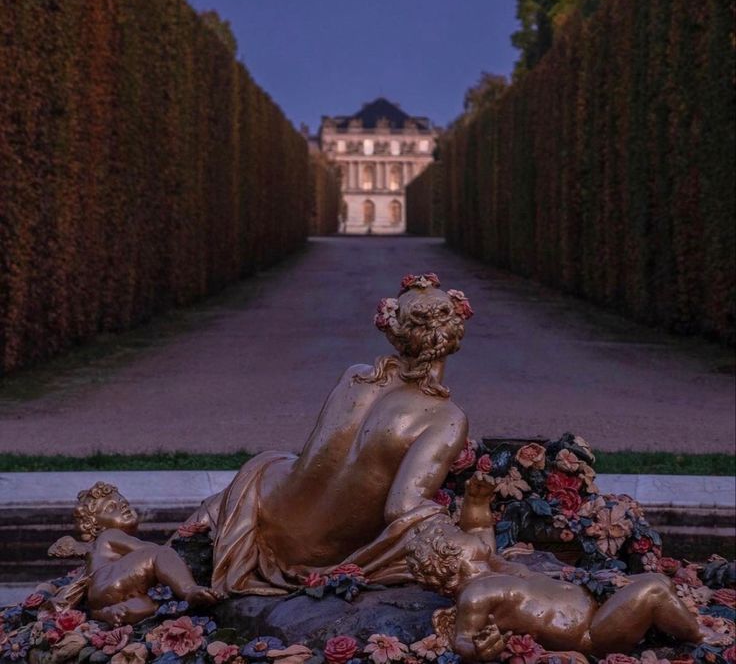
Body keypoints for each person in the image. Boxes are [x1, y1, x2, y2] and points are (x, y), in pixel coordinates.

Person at [186, 273, 477, 595]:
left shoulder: (357, 377)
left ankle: (150, 555)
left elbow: (322, 460)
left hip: (266, 504)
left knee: (267, 466)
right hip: (317, 551)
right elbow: (401, 508)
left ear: (393, 329)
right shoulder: (446, 418)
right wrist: (471, 524)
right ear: (457, 326)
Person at [406, 474, 704, 662]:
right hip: (590, 634)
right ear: (452, 557)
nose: (468, 533)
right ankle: (703, 639)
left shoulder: (491, 565)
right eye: (460, 534)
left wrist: (476, 499)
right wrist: (480, 650)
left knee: (655, 581)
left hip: (596, 608)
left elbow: (480, 525)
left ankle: (678, 628)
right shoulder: (476, 593)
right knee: (652, 589)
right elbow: (462, 639)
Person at [49, 482, 220, 625]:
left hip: (99, 596)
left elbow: (84, 585)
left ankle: (121, 612)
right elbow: (148, 550)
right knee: (161, 553)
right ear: (95, 526)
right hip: (110, 579)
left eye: (124, 503)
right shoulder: (109, 535)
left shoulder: (96, 554)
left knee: (156, 600)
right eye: (111, 508)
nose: (123, 506)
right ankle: (189, 590)